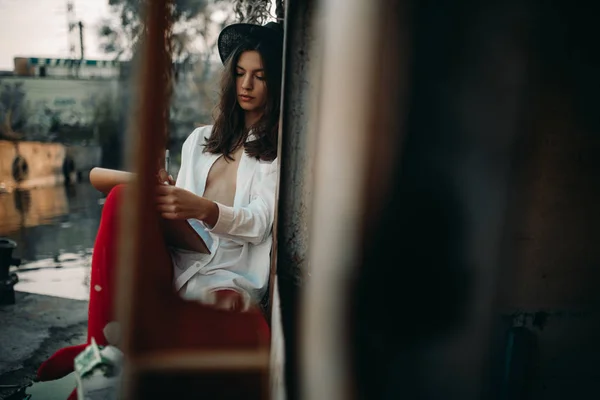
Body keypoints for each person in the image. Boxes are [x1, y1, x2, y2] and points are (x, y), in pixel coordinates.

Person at [36, 21, 284, 387]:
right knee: (124, 196)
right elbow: (162, 203)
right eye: (240, 73)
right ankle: (99, 347)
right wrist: (163, 192)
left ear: (275, 83)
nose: (245, 85)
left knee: (233, 318)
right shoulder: (201, 140)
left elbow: (260, 222)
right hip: (180, 255)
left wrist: (202, 208)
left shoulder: (272, 151)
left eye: (259, 76)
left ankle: (106, 351)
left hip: (228, 273)